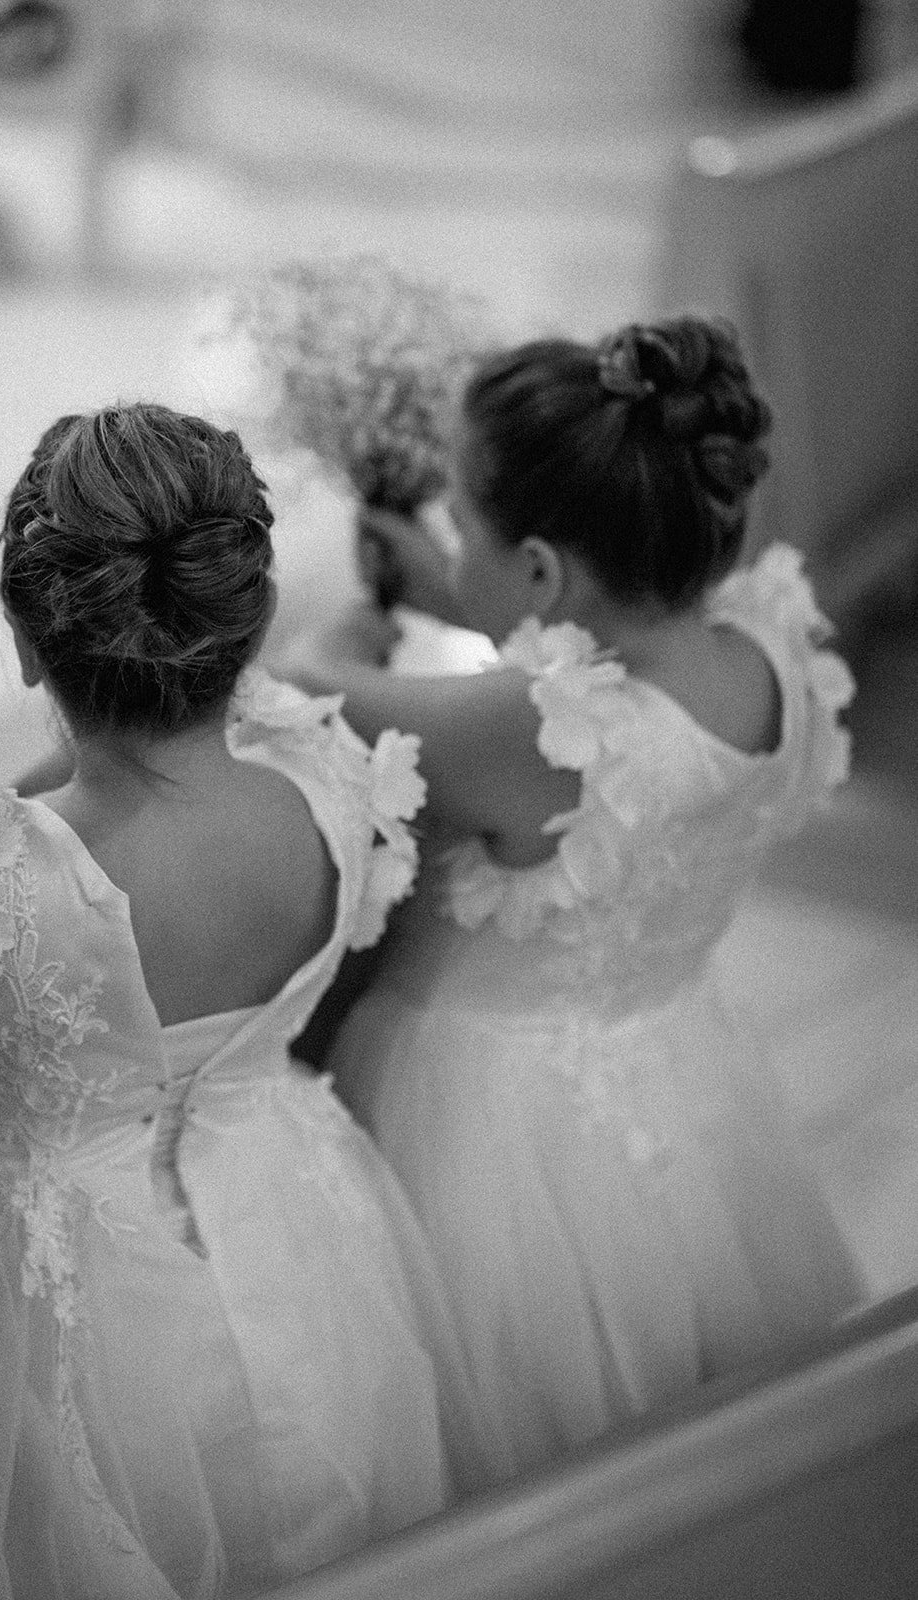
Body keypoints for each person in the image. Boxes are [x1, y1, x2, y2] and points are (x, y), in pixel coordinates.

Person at [0, 403, 491, 1599]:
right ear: (240, 630)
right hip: (304, 1262)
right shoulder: (330, 770)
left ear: (32, 649)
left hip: (42, 1332)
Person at [278, 316, 866, 1483]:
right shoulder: (767, 650)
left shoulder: (533, 734)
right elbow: (586, 633)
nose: (449, 541)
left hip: (486, 1137)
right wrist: (466, 590)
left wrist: (355, 623)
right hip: (680, 1076)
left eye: (461, 522)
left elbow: (315, 687)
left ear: (542, 569)